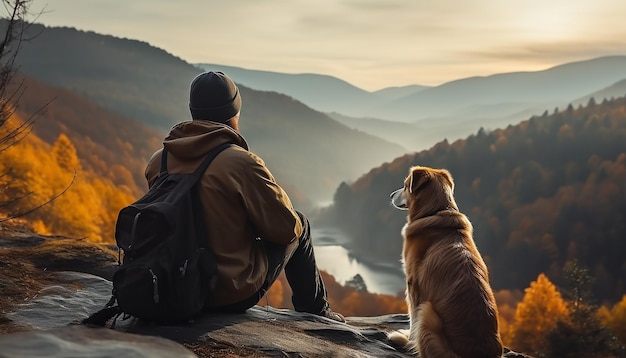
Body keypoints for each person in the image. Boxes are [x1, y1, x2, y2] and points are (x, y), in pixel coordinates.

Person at [144, 71, 345, 322]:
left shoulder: (158, 160)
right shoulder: (239, 162)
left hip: (172, 283)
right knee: (300, 223)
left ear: (193, 110)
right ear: (234, 112)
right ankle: (318, 313)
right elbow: (286, 230)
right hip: (227, 293)